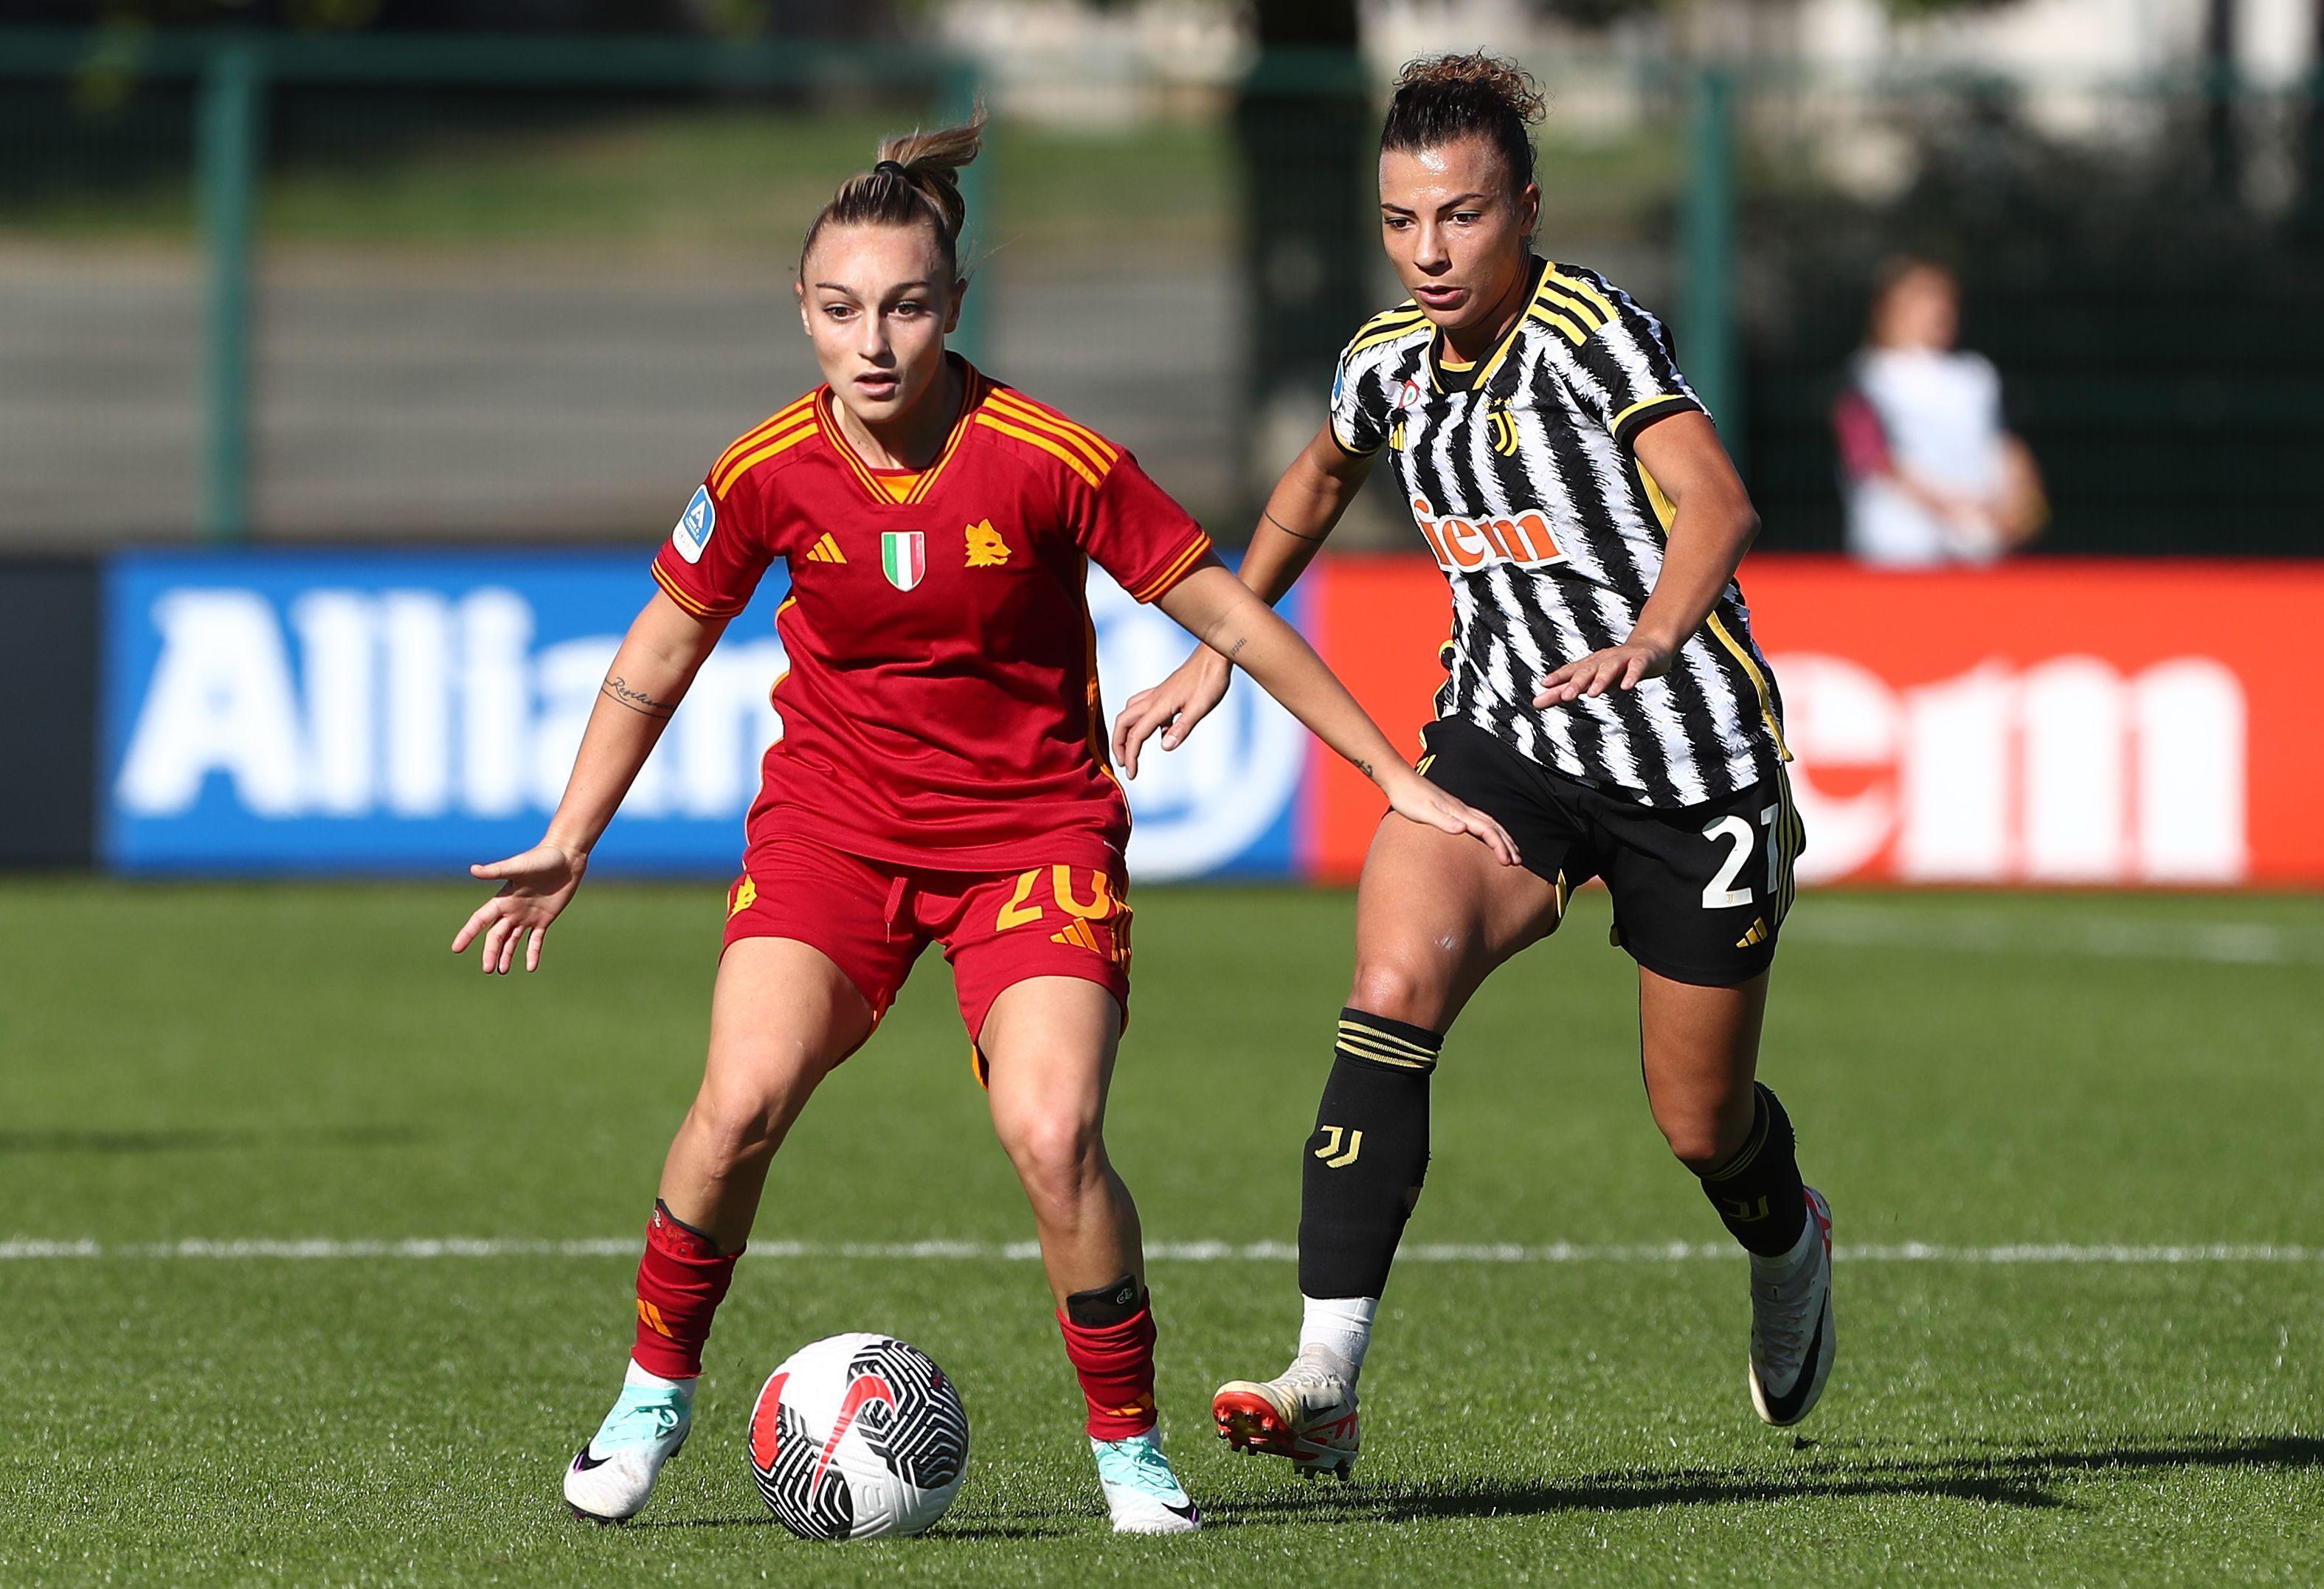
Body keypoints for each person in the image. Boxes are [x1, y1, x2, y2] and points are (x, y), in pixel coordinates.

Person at [450, 113, 1516, 1533]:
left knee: (1053, 1129)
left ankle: (1129, 1448)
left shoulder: (1051, 458)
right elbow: (656, 654)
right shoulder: (765, 468)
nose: (873, 341)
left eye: (904, 306)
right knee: (739, 1100)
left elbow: (1235, 618)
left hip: (1033, 838)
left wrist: (1391, 772)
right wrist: (571, 834)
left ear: (954, 303)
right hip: (834, 833)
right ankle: (654, 1391)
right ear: (802, 308)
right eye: (842, 309)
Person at [1114, 53, 1833, 1480]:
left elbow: (1718, 500)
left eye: (1462, 215)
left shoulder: (1592, 335)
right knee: (1391, 985)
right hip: (1505, 745)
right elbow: (1318, 477)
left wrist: (1650, 638)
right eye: (1402, 220)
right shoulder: (1384, 361)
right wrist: (1219, 643)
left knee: (1701, 1122)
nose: (1429, 251)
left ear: (1527, 211)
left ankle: (1790, 1240)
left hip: (1691, 769)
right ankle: (1326, 1372)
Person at [1833, 257, 2047, 567]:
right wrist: (1955, 510)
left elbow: (2006, 446)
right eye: (1922, 299)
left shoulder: (1977, 375)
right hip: (1897, 550)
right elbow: (1870, 456)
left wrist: (2019, 501)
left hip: (1979, 552)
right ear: (1887, 309)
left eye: (1943, 300)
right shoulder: (1865, 376)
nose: (1937, 311)